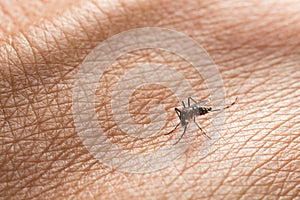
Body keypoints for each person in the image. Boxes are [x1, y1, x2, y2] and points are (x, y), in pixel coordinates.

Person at [0, 0, 299, 199]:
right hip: (193, 107)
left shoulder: (192, 113)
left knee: (192, 116)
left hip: (198, 106)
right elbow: (181, 113)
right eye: (186, 116)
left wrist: (196, 117)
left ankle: (221, 108)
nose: (184, 118)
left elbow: (187, 116)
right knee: (183, 115)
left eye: (187, 116)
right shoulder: (183, 112)